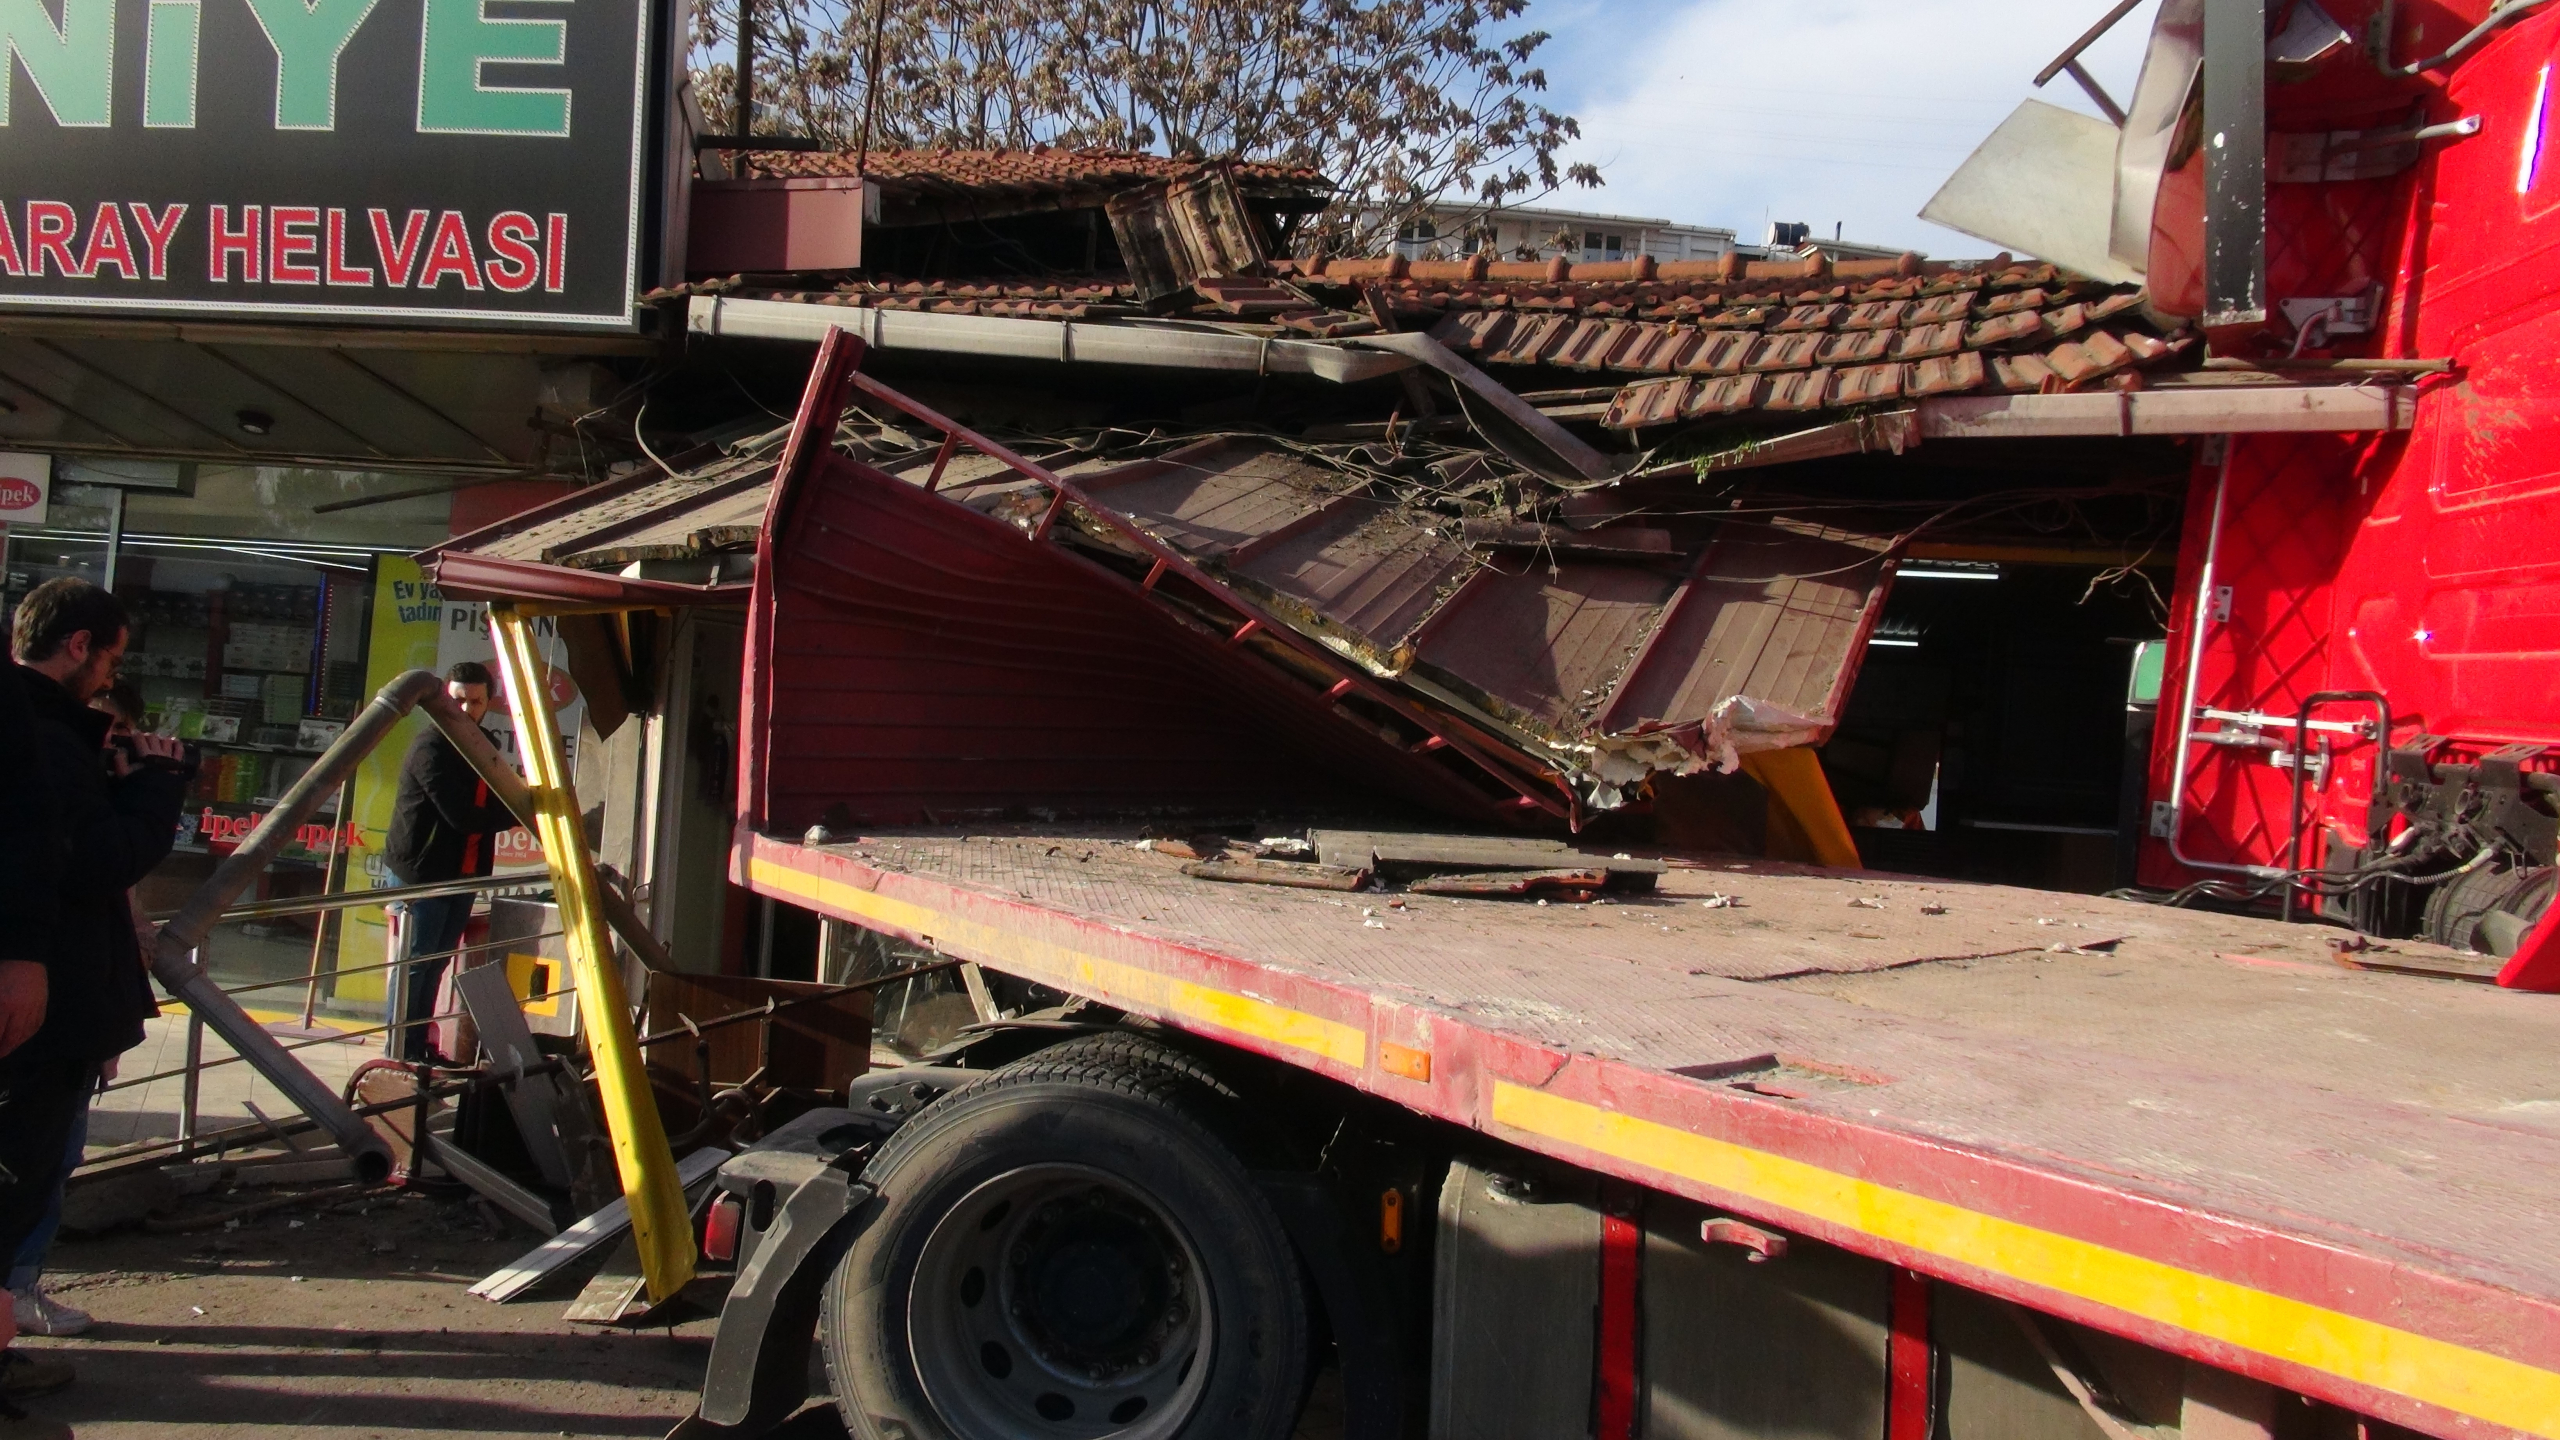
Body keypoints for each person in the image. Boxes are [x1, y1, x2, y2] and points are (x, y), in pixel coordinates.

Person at [0, 579, 189, 1439]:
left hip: (55, 995)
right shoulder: (37, 735)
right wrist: (154, 788)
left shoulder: (44, 734)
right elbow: (79, 859)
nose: (110, 681)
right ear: (79, 648)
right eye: (110, 660)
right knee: (18, 1179)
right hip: (44, 1006)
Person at [6, 683, 152, 1341]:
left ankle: (19, 1285)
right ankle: (17, 1285)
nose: (114, 747)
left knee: (50, 1161)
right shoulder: (50, 773)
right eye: (110, 734)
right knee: (38, 1163)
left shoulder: (65, 779)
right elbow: (87, 875)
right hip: (51, 1010)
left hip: (71, 1005)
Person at [382, 661, 513, 1063]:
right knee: (416, 968)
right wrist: (521, 811)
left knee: (436, 966)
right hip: (423, 874)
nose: (466, 709)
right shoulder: (431, 746)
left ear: (488, 702)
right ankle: (400, 1053)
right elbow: (461, 816)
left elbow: (488, 805)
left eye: (475, 701)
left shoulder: (483, 742)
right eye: (458, 700)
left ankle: (419, 1047)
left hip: (462, 872)